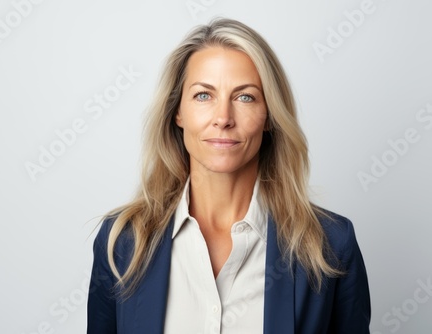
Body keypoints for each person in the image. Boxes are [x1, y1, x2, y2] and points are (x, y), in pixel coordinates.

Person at [87, 18, 371, 334]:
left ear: (269, 116)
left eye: (245, 96)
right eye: (203, 95)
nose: (223, 118)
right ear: (177, 112)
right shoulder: (124, 242)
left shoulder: (330, 245)